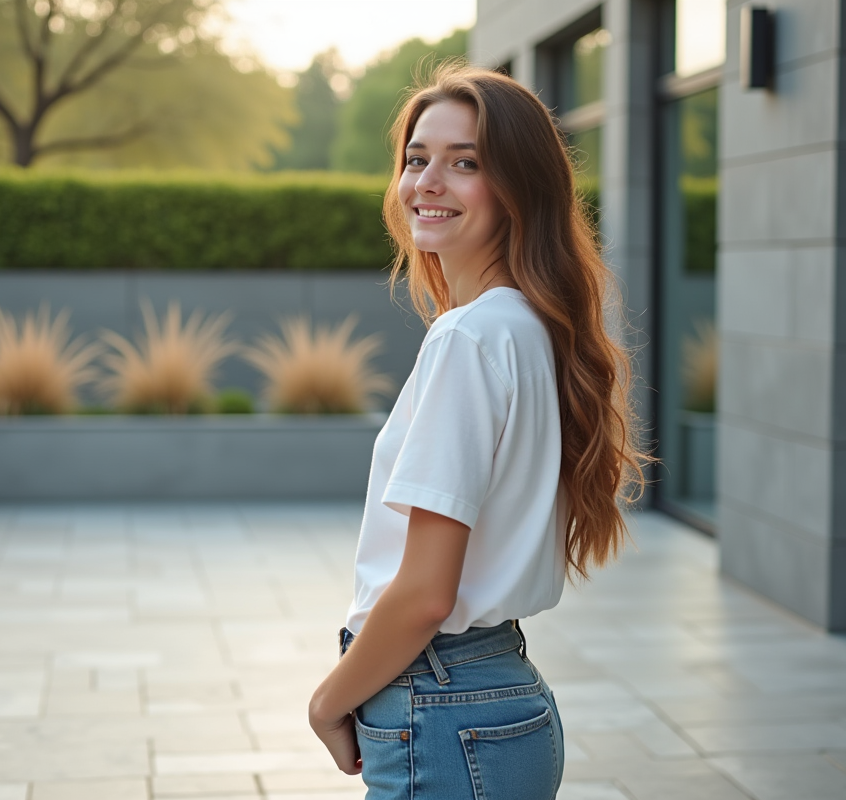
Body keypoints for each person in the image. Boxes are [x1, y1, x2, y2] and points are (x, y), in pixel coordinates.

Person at [307, 63, 647, 800]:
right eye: (416, 159)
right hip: (501, 700)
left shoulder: (470, 338)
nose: (429, 181)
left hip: (440, 703)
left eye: (465, 163)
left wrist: (328, 700)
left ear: (518, 190)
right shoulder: (530, 326)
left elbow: (428, 592)